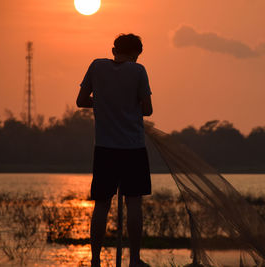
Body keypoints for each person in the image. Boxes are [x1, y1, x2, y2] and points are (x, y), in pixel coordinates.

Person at [76, 33, 153, 267]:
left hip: (105, 148)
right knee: (134, 203)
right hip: (133, 148)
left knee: (101, 204)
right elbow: (147, 110)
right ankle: (135, 260)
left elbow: (81, 101)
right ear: (137, 54)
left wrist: (104, 103)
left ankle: (96, 260)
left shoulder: (97, 66)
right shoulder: (138, 72)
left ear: (113, 50)